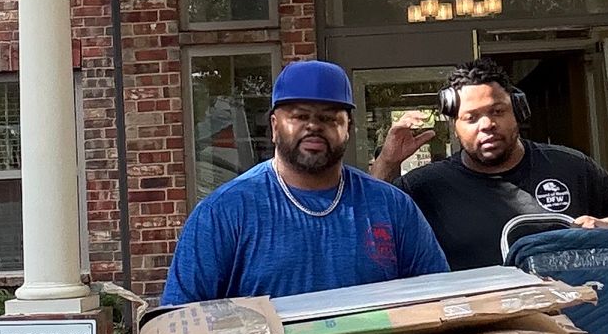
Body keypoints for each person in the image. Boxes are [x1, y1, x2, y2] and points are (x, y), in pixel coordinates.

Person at [162, 59, 448, 304]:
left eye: (328, 118)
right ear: (275, 127)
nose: (313, 126)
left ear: (348, 128)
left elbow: (439, 300)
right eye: (299, 116)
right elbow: (181, 323)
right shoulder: (223, 213)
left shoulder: (392, 207)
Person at [372, 58, 608, 271]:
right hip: (478, 332)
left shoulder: (568, 165)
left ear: (518, 112)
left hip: (569, 324)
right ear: (454, 126)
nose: (487, 125)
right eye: (471, 117)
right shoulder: (426, 186)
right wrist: (388, 161)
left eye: (497, 111)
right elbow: (372, 221)